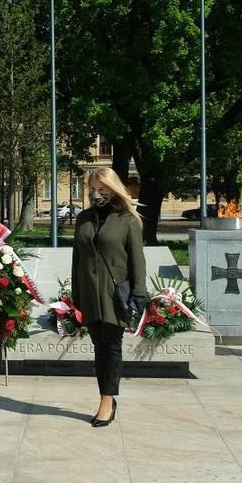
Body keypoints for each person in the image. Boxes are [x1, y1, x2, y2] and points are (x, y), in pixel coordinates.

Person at [70, 168, 147, 428]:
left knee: (111, 348)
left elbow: (137, 259)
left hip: (115, 295)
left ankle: (107, 400)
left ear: (113, 189)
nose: (96, 194)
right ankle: (107, 396)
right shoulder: (83, 218)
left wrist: (139, 292)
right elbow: (77, 258)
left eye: (102, 189)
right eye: (92, 189)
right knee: (98, 347)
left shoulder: (127, 219)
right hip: (90, 293)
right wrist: (76, 294)